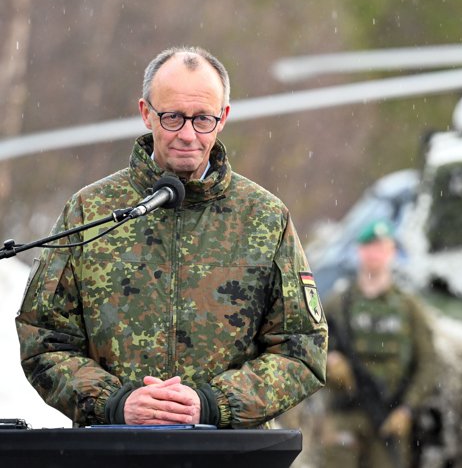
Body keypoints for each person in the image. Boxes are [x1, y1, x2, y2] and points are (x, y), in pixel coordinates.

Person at [15, 46, 327, 428]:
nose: (188, 135)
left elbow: (302, 349)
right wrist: (115, 403)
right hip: (114, 448)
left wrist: (213, 405)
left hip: (227, 451)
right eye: (173, 117)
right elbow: (43, 337)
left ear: (223, 118)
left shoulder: (265, 218)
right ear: (146, 113)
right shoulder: (90, 211)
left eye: (203, 119)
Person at [320, 219, 438, 468]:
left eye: (382, 247)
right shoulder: (337, 304)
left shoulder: (409, 308)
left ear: (392, 252)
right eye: (369, 247)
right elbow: (307, 347)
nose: (375, 254)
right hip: (344, 415)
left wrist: (407, 409)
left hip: (389, 416)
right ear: (359, 251)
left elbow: (428, 364)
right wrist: (328, 361)